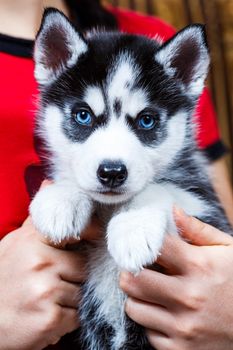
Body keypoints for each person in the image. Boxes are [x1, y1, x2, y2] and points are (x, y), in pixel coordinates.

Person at [0, 0, 232, 349]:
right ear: (51, 60)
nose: (112, 159)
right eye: (83, 116)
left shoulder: (157, 39)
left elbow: (217, 239)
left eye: (147, 120)